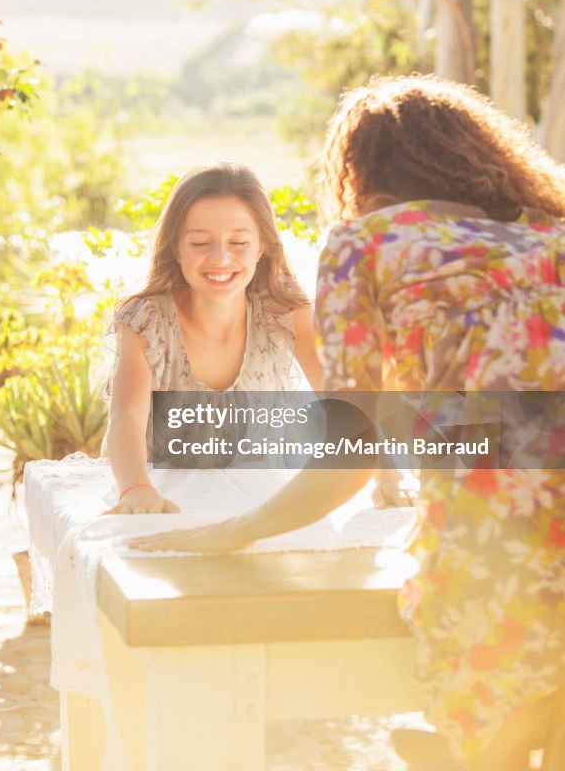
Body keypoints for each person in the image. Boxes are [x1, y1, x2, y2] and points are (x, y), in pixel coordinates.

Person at [130, 77, 565, 771]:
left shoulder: (368, 243)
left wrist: (233, 530)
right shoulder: (551, 232)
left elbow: (352, 446)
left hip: (499, 539)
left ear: (359, 171)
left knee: (493, 736)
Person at [102, 162, 327, 515]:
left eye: (238, 242)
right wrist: (136, 489)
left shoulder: (284, 312)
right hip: (162, 495)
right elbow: (126, 416)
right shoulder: (147, 320)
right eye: (199, 242)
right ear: (175, 248)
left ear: (262, 247)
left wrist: (384, 475)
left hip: (259, 500)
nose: (220, 258)